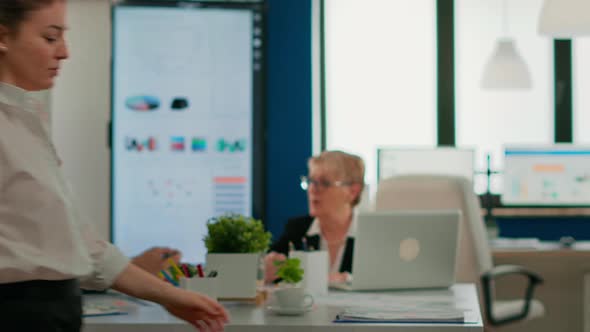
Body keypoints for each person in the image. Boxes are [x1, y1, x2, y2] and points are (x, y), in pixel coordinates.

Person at [0, 1, 228, 331]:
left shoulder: (27, 120)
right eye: (50, 38)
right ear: (3, 36)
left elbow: (87, 249)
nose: (64, 52)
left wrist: (170, 296)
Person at [264, 150, 365, 284]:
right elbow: (269, 273)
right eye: (311, 181)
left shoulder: (371, 235)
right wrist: (268, 268)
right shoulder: (296, 230)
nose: (312, 189)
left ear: (353, 191)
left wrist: (347, 279)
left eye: (324, 183)